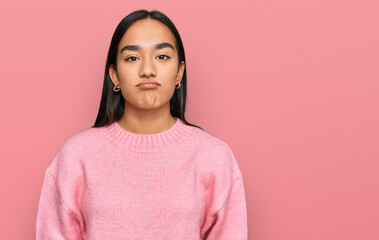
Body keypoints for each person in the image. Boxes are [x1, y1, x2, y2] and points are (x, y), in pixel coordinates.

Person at [36, 9, 248, 240]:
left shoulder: (214, 157)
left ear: (179, 73)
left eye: (162, 57)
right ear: (114, 76)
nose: (147, 70)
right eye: (132, 58)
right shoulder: (76, 156)